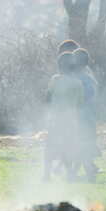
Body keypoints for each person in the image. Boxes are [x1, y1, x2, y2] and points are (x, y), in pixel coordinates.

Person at [44, 52, 85, 181]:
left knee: (50, 146)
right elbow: (80, 103)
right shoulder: (78, 83)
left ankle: (46, 175)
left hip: (56, 119)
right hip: (71, 119)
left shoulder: (55, 80)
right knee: (68, 146)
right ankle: (69, 174)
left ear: (60, 66)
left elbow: (48, 98)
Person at [73, 48, 100, 181]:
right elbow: (92, 96)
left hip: (80, 116)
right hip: (86, 116)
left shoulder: (75, 78)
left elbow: (86, 97)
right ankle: (86, 170)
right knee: (84, 145)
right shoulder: (88, 78)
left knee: (81, 145)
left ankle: (79, 171)